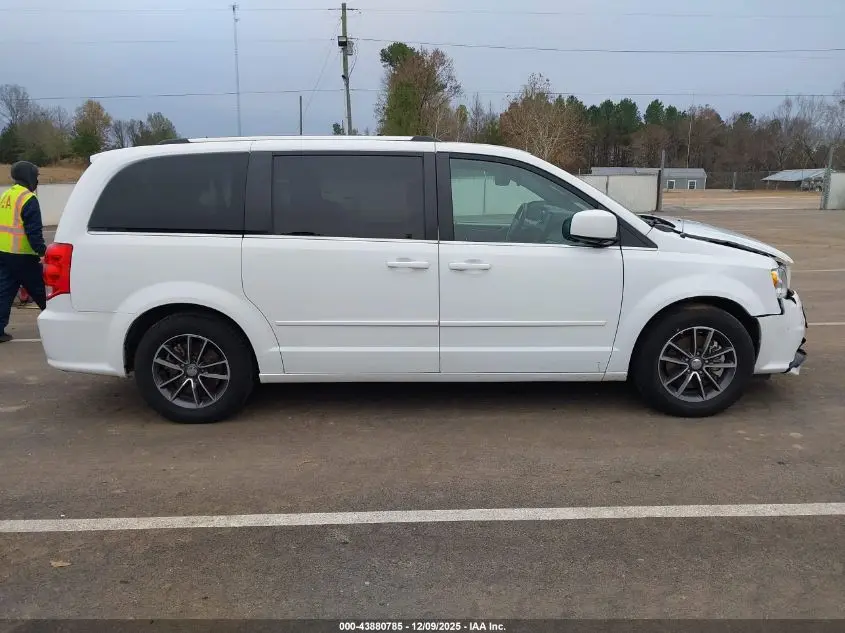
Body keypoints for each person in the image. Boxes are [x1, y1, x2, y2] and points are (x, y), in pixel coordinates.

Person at [0, 161, 47, 343]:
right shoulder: (28, 198)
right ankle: (56, 324)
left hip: (4, 252)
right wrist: (42, 252)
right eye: (35, 176)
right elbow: (33, 231)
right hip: (22, 254)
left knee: (5, 291)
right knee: (40, 291)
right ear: (28, 176)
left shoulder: (6, 196)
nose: (36, 180)